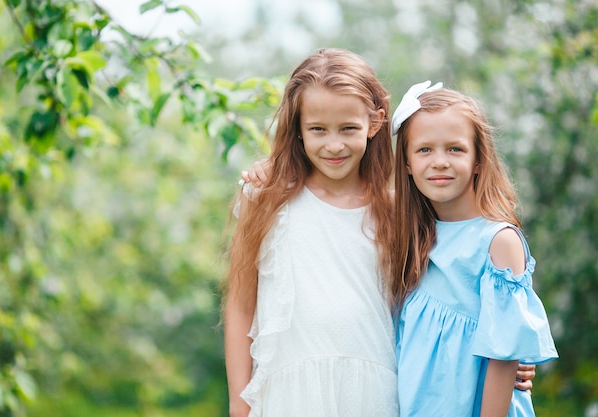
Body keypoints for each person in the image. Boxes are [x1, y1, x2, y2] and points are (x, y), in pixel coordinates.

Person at [224, 48, 398, 417]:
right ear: (298, 128)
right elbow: (240, 306)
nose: (333, 145)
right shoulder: (265, 198)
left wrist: (501, 358)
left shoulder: (397, 209)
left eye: (348, 128)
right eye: (317, 129)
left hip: (374, 395)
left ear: (375, 123)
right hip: (287, 397)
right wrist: (238, 407)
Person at [390, 81, 558, 416]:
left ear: (479, 160)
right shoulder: (408, 234)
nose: (440, 161)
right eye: (424, 150)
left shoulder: (498, 242)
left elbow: (503, 353)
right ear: (406, 163)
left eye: (455, 149)